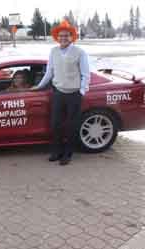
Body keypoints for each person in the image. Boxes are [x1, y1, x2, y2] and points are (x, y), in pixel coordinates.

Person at [32, 20, 90, 166]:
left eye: (67, 35)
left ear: (72, 37)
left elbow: (85, 74)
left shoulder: (80, 52)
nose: (63, 38)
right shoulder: (53, 51)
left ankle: (68, 153)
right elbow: (49, 72)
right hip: (58, 93)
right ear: (57, 37)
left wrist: (81, 91)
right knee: (55, 124)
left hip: (74, 94)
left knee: (71, 125)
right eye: (61, 35)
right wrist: (39, 86)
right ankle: (56, 151)